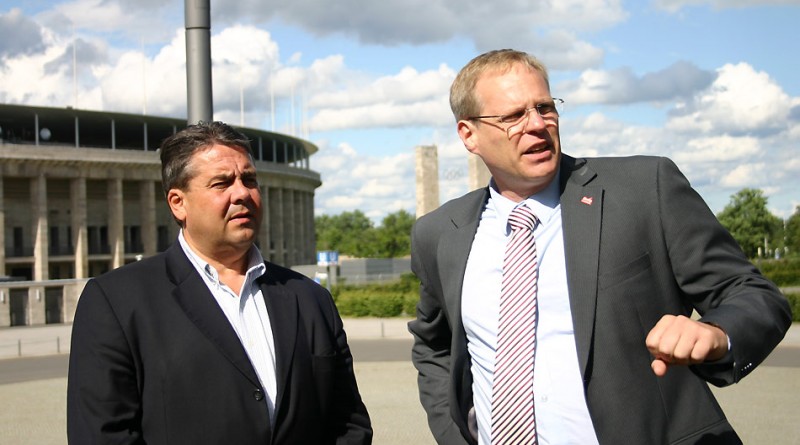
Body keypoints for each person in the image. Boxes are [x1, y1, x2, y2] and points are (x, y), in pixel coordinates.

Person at [408, 49, 792, 445]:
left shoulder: (645, 189)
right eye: (514, 116)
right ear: (468, 134)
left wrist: (715, 333)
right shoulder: (439, 233)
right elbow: (435, 346)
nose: (538, 125)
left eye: (544, 107)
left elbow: (754, 294)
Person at [67, 121, 372, 444]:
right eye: (221, 183)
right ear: (177, 203)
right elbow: (102, 436)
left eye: (249, 179)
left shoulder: (310, 299)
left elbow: (348, 425)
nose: (242, 193)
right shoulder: (117, 303)